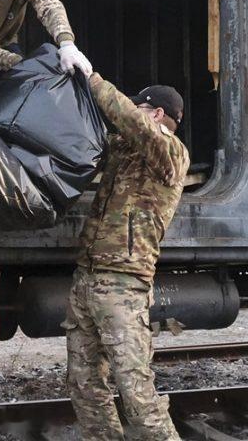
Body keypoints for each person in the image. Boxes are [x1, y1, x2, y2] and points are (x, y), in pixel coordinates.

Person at [64, 77, 190, 440]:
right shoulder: (124, 150)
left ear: (158, 113)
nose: (134, 112)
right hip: (87, 278)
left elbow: (135, 123)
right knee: (84, 384)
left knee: (135, 392)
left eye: (142, 107)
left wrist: (92, 79)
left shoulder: (172, 153)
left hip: (123, 283)